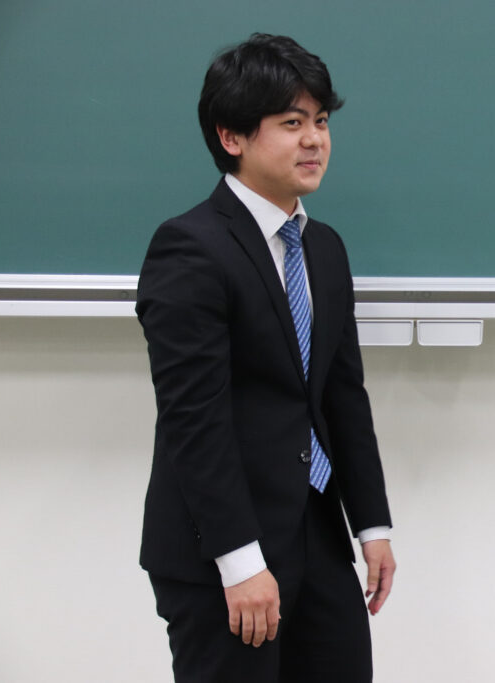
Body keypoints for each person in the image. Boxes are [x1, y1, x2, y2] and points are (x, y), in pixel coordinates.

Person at [136, 33, 395, 682]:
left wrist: (372, 525)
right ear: (232, 137)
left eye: (321, 122)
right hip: (223, 550)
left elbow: (343, 394)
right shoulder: (189, 247)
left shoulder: (324, 248)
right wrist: (239, 560)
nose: (315, 140)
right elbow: (194, 418)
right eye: (291, 123)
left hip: (318, 534)